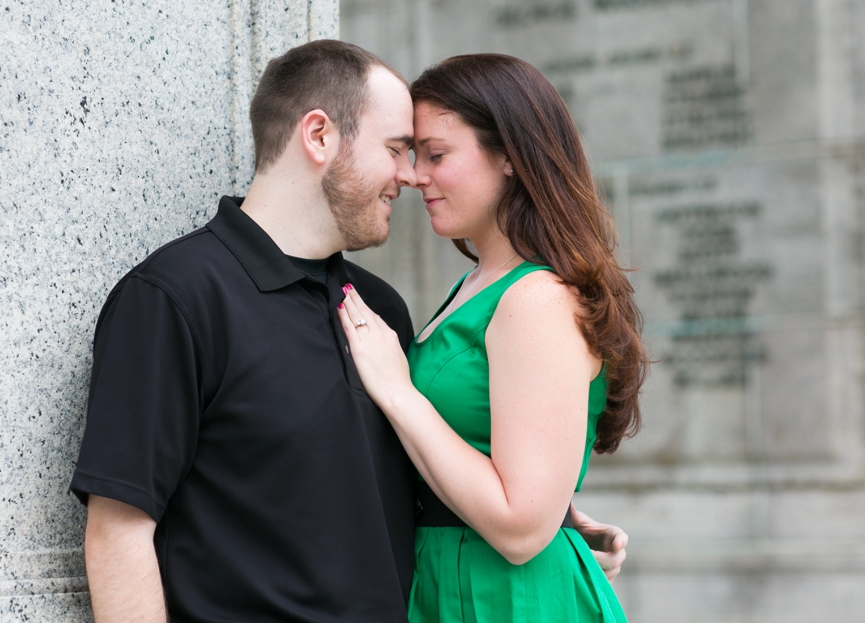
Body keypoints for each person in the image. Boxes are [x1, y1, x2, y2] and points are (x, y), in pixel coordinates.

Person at [70, 40, 628, 623]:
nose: (410, 176)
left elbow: (391, 480)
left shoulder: (378, 309)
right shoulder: (174, 298)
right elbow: (119, 534)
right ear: (318, 137)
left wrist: (553, 519)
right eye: (398, 149)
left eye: (427, 153)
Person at [337, 53, 648, 623]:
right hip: (453, 579)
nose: (412, 175)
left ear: (509, 156)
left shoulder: (536, 298)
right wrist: (560, 506)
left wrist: (395, 388)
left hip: (505, 597)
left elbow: (519, 530)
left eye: (436, 154)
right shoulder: (479, 285)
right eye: (409, 155)